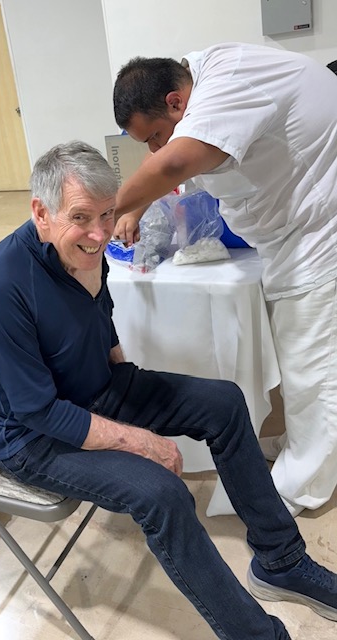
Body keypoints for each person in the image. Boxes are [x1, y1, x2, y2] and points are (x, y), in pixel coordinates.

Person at [0, 140, 337, 640]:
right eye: (81, 218)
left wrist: (131, 391)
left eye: (107, 214)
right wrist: (139, 440)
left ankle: (282, 559)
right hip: (33, 438)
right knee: (162, 494)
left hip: (97, 390)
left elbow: (101, 323)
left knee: (225, 404)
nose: (99, 233)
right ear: (41, 212)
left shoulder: (83, 250)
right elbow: (36, 411)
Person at [112, 42, 337, 518]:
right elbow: (178, 170)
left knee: (314, 366)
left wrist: (102, 210)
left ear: (176, 102)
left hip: (319, 234)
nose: (154, 149)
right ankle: (301, 444)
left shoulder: (229, 81)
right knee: (298, 358)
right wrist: (136, 208)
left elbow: (175, 163)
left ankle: (301, 486)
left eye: (155, 136)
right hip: (288, 236)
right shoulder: (201, 89)